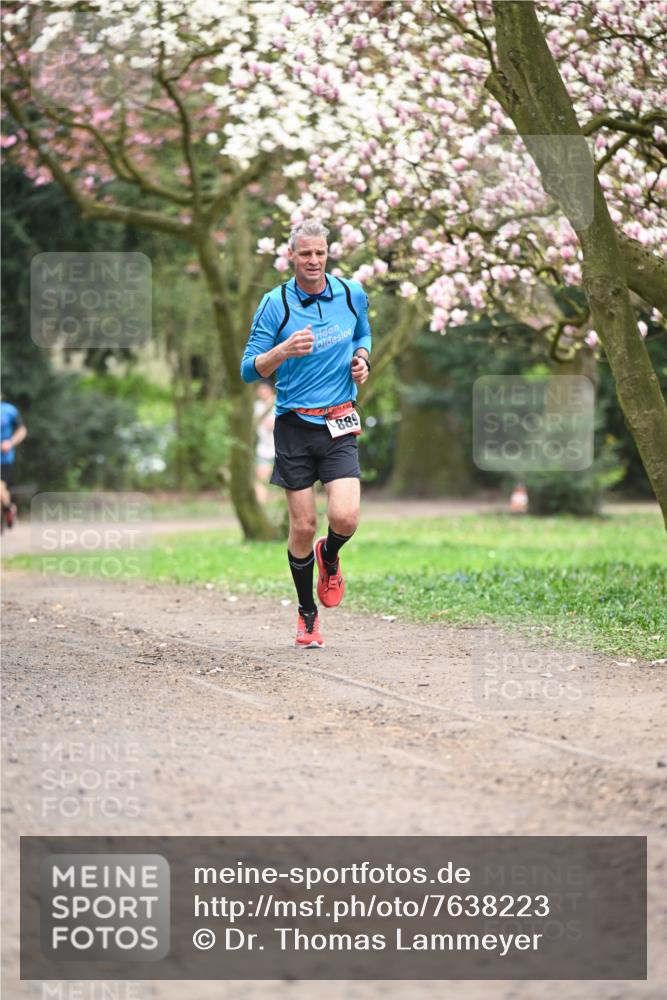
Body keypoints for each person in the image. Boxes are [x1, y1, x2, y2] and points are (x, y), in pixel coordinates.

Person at [240, 220, 371, 648]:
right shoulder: (275, 303)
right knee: (302, 524)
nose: (313, 261)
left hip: (339, 420)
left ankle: (329, 555)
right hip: (294, 425)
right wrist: (282, 351)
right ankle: (307, 614)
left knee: (346, 517)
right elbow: (247, 368)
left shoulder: (352, 293)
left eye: (320, 253)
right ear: (291, 256)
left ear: (328, 253)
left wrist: (362, 357)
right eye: (305, 254)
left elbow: (363, 332)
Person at [1, 399, 27, 529]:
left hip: (4, 459)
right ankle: (9, 508)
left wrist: (10, 443)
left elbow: (22, 431)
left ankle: (8, 509)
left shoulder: (9, 410)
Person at [254, 380, 276, 505]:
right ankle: (260, 506)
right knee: (261, 478)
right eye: (260, 389)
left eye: (265, 389)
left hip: (279, 447)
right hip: (263, 448)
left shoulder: (278, 403)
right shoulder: (256, 406)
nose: (262, 392)